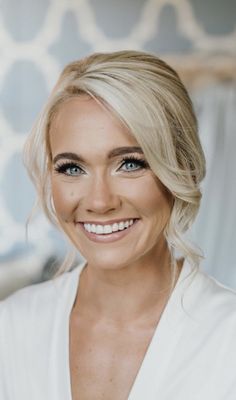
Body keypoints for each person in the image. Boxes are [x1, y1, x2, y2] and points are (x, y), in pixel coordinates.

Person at [0, 50, 236, 400]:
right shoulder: (12, 328)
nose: (99, 201)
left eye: (129, 163)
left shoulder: (227, 336)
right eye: (72, 168)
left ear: (180, 168)